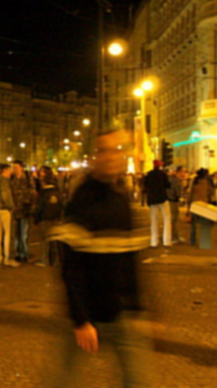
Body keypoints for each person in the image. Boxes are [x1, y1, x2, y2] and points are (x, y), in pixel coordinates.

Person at [54, 130, 152, 387]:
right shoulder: (81, 201)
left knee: (139, 381)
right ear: (95, 157)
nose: (112, 156)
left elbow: (131, 260)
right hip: (90, 311)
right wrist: (81, 319)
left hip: (123, 314)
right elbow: (71, 267)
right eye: (105, 150)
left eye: (117, 150)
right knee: (63, 381)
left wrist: (141, 308)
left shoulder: (121, 198)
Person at [0, 164, 19, 267]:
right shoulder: (4, 181)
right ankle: (7, 258)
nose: (11, 172)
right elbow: (5, 195)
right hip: (5, 210)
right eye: (10, 170)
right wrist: (11, 206)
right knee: (8, 235)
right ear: (5, 170)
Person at [35, 166, 64, 267]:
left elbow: (39, 207)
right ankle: (55, 261)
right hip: (56, 218)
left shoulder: (43, 193)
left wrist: (37, 219)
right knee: (55, 241)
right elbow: (61, 205)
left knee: (45, 241)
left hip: (45, 218)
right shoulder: (57, 191)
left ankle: (44, 260)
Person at [10, 161, 34, 261]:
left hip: (24, 210)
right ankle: (17, 253)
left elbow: (32, 192)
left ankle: (24, 253)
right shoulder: (11, 179)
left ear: (21, 168)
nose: (14, 169)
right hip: (15, 210)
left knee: (23, 234)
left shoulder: (28, 179)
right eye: (13, 167)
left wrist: (30, 205)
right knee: (16, 234)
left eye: (16, 167)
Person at [144, 161, 171, 247]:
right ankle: (166, 241)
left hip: (152, 200)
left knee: (154, 220)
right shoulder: (162, 174)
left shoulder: (149, 175)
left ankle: (154, 242)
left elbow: (145, 186)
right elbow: (168, 185)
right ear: (159, 166)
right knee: (167, 218)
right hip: (162, 198)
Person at [166, 167, 185, 244]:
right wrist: (181, 199)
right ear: (179, 172)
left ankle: (175, 236)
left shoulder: (171, 179)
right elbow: (178, 193)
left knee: (173, 220)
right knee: (173, 220)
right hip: (173, 201)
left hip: (169, 200)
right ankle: (173, 237)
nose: (184, 173)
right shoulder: (177, 181)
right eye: (183, 171)